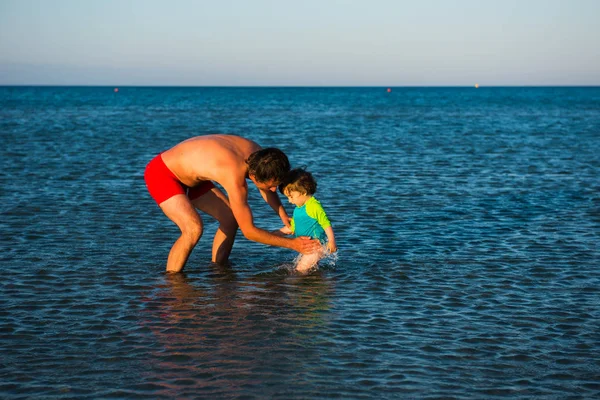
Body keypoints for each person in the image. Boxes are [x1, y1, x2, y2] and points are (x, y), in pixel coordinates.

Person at [144, 134, 321, 273]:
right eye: (271, 187)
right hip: (163, 173)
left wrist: (282, 214)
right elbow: (249, 232)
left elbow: (265, 187)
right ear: (253, 177)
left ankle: (218, 270)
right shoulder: (234, 178)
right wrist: (293, 244)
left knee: (230, 219)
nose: (274, 191)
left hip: (194, 177)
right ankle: (171, 284)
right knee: (193, 228)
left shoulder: (262, 156)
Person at [275, 168, 337, 274]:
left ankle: (298, 289)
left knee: (299, 271)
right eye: (287, 198)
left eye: (291, 197)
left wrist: (331, 242)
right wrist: (272, 235)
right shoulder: (298, 209)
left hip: (316, 247)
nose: (290, 201)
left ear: (303, 192)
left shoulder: (313, 206)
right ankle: (314, 287)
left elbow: (326, 223)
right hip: (308, 248)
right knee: (308, 271)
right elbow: (291, 228)